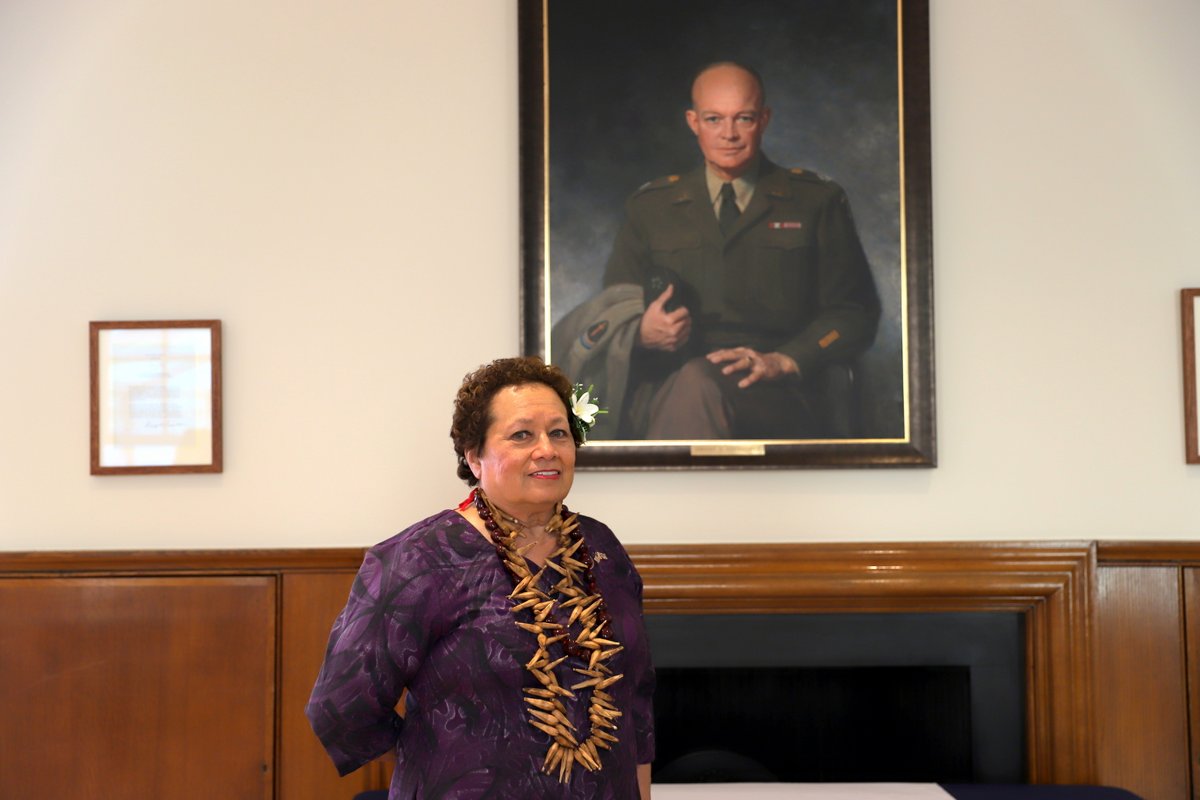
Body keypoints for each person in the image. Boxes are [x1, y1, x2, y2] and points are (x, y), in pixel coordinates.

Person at [306, 356, 656, 799]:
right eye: (522, 435)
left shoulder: (603, 549)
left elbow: (636, 701)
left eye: (559, 432)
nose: (546, 449)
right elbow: (341, 706)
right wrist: (436, 753)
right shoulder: (418, 560)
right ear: (475, 457)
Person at [553, 61, 880, 440]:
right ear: (693, 122)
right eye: (713, 119)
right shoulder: (651, 206)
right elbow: (616, 306)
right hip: (665, 384)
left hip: (778, 392)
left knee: (696, 385)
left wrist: (787, 360)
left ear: (765, 119)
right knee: (686, 385)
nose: (729, 134)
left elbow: (855, 314)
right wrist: (642, 332)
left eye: (743, 118)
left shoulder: (815, 201)